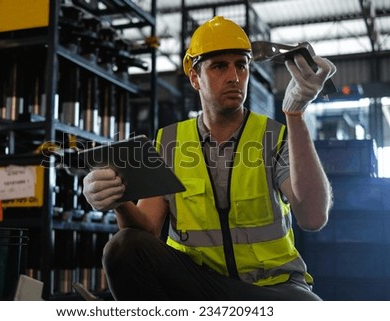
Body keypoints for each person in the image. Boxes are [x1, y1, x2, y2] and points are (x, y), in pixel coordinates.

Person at [83, 16, 336, 300]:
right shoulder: (169, 142)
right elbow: (146, 231)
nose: (234, 76)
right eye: (219, 66)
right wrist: (119, 199)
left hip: (270, 288)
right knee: (122, 246)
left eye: (241, 65)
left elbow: (313, 218)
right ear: (195, 78)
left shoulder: (272, 137)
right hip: (199, 286)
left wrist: (295, 115)